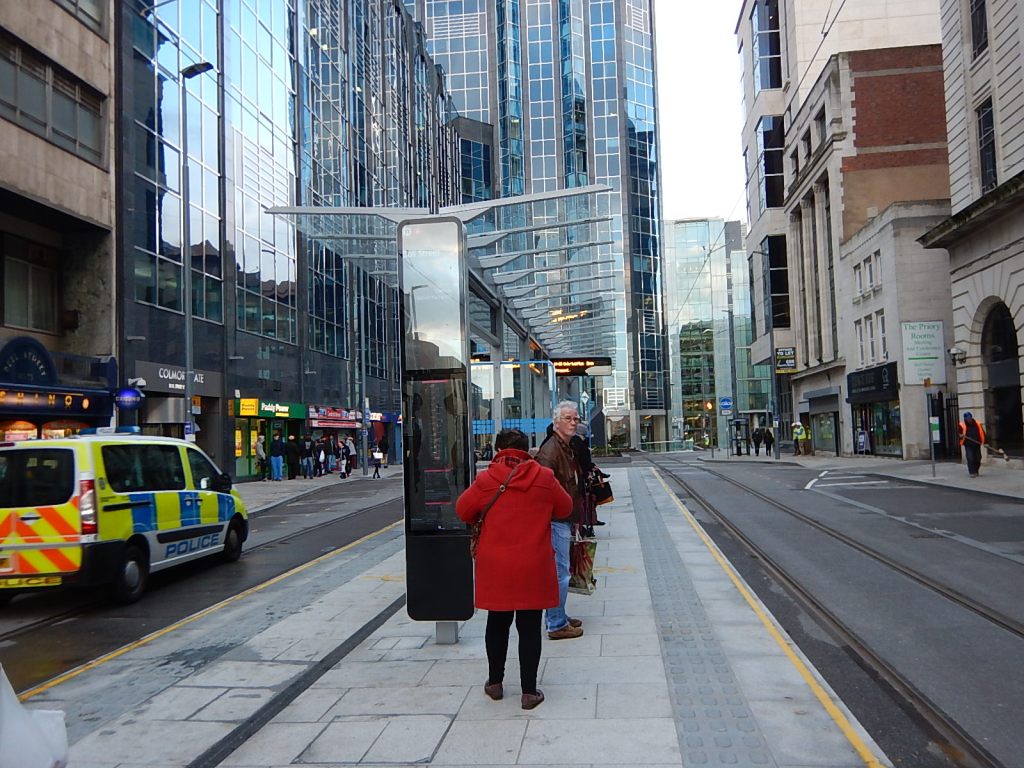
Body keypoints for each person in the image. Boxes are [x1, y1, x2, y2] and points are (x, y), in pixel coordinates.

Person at [456, 428, 572, 710]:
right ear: (527, 449)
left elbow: (462, 510)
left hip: (496, 566)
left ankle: (495, 683)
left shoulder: (486, 480)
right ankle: (529, 692)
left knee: (497, 624)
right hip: (533, 564)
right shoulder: (544, 477)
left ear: (498, 450)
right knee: (529, 627)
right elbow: (565, 508)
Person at [535, 401, 586, 640]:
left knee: (561, 571)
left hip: (564, 517)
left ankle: (559, 615)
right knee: (560, 573)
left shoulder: (565, 447)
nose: (573, 423)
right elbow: (543, 490)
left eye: (576, 418)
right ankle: (556, 624)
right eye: (568, 418)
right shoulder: (551, 451)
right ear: (556, 423)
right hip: (555, 520)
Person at [958, 412, 986, 478]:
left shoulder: (978, 424)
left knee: (978, 458)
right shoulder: (962, 425)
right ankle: (972, 472)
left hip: (977, 443)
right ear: (965, 419)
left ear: (971, 417)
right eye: (967, 419)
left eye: (969, 418)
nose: (968, 420)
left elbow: (982, 433)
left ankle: (976, 471)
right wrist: (961, 436)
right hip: (968, 444)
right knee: (970, 458)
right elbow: (959, 434)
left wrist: (985, 442)